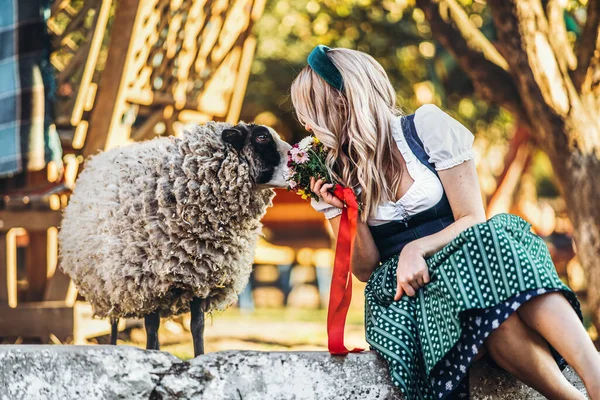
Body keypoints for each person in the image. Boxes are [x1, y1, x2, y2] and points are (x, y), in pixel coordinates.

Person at [290, 45, 600, 400]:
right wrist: (350, 214)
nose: (305, 123)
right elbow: (364, 269)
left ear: (342, 101)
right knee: (485, 309)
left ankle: (592, 381)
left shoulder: (425, 129)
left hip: (469, 268)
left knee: (492, 269)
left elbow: (472, 219)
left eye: (310, 109)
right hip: (408, 293)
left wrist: (416, 247)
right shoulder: (328, 173)